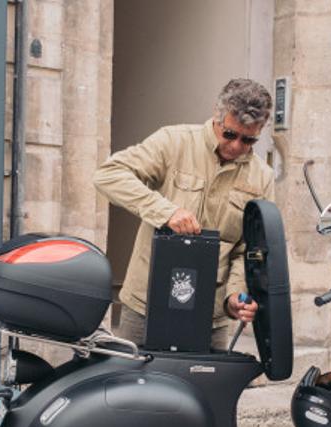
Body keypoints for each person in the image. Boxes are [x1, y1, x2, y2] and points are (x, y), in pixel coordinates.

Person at [94, 78, 274, 349]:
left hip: (210, 318)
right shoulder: (173, 141)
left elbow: (248, 249)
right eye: (229, 134)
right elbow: (108, 175)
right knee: (131, 389)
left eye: (248, 140)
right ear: (217, 115)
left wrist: (234, 296)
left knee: (201, 392)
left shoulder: (262, 177)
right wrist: (165, 212)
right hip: (145, 305)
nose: (237, 146)